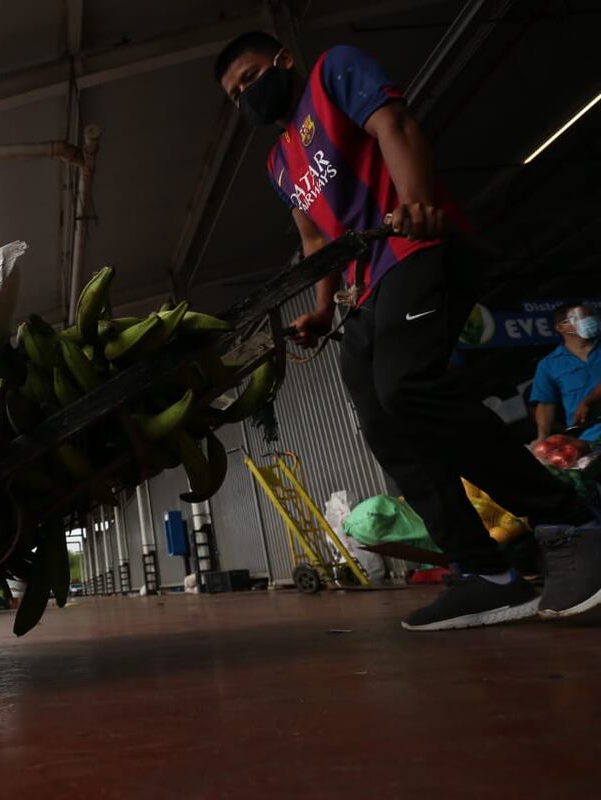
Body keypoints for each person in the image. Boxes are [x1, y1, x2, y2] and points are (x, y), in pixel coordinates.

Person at [214, 32, 601, 629]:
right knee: (383, 423)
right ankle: (482, 572)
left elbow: (395, 125)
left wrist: (418, 204)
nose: (247, 95)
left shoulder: (331, 73)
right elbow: (315, 241)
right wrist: (322, 310)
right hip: (363, 292)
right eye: (236, 93)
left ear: (282, 61)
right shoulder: (277, 163)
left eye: (250, 77)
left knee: (406, 386)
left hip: (414, 251)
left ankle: (568, 523)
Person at [531, 303, 601, 442]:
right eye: (580, 317)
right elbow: (546, 404)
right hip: (587, 439)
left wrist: (587, 402)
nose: (588, 320)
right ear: (560, 327)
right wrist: (542, 437)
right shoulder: (548, 364)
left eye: (591, 316)